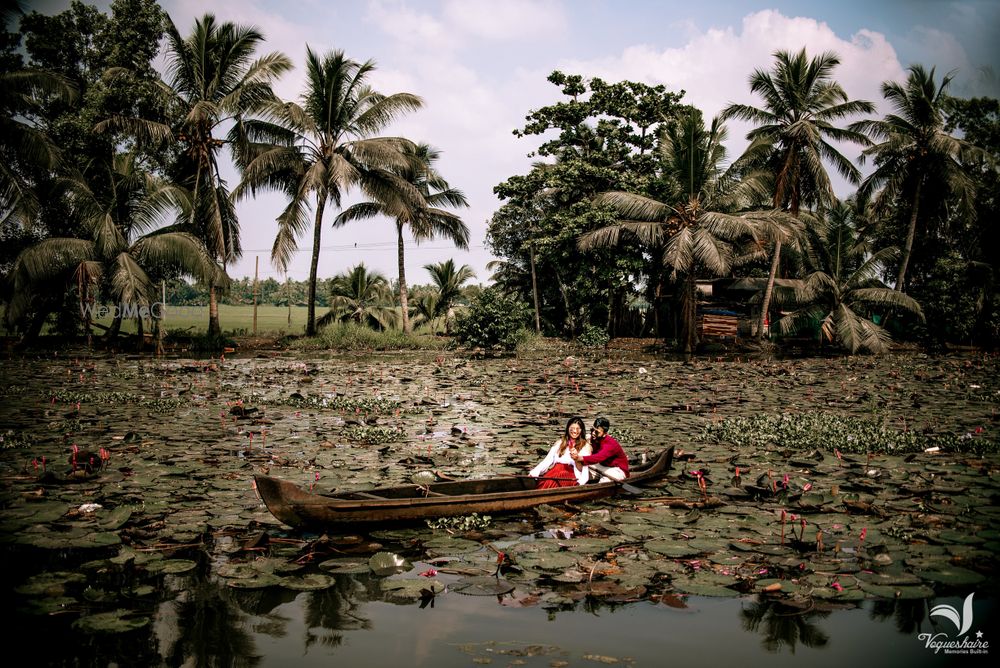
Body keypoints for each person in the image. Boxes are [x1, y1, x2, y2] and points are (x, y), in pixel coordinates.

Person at [529, 416, 592, 488]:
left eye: (578, 429)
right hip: (554, 472)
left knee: (553, 480)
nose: (574, 431)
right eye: (572, 428)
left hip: (570, 474)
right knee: (547, 480)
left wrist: (581, 483)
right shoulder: (559, 443)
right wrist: (534, 472)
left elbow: (584, 469)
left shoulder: (585, 446)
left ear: (581, 430)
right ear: (568, 429)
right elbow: (547, 461)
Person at [572, 416, 629, 482]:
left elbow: (599, 457)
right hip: (602, 467)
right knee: (580, 469)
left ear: (605, 434)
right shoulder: (593, 439)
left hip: (617, 470)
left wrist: (580, 458)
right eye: (592, 430)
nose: (593, 433)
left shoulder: (610, 444)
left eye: (596, 432)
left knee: (604, 481)